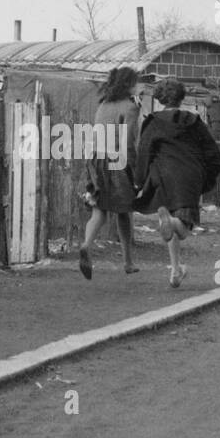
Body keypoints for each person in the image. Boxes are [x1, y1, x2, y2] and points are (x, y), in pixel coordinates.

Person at [132, 78, 220, 287]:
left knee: (173, 220)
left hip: (162, 177)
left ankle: (175, 271)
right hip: (189, 176)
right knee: (183, 228)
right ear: (182, 98)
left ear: (160, 99)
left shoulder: (153, 122)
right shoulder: (195, 122)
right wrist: (206, 179)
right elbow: (213, 154)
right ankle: (171, 225)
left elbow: (144, 153)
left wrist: (138, 182)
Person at [78, 67, 141, 279]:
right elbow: (129, 143)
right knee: (125, 211)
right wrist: (136, 172)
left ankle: (86, 245)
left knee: (99, 210)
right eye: (136, 82)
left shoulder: (104, 104)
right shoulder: (130, 107)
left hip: (96, 159)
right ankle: (128, 262)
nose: (138, 85)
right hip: (117, 160)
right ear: (128, 84)